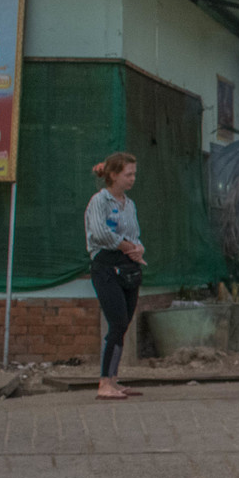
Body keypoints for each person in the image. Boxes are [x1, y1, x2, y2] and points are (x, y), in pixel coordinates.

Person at [84, 152, 145, 401]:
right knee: (117, 321)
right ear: (113, 175)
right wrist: (125, 245)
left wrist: (138, 248)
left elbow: (136, 234)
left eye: (133, 174)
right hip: (106, 267)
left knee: (124, 323)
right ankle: (104, 382)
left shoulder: (129, 204)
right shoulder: (100, 201)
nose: (132, 179)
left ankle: (114, 379)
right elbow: (99, 233)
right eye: (128, 174)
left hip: (128, 268)